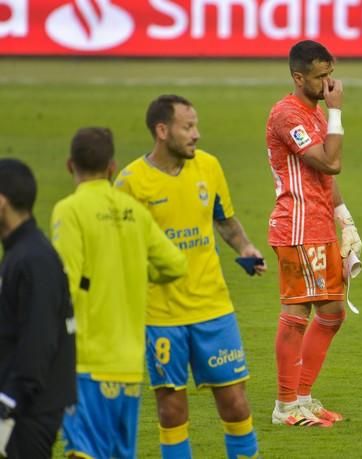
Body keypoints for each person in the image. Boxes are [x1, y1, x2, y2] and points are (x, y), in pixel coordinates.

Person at [114, 94, 265, 459]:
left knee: (235, 403)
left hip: (213, 307)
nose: (196, 134)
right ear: (162, 131)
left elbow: (224, 220)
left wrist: (245, 247)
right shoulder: (131, 183)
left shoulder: (209, 167)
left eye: (196, 125)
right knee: (171, 409)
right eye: (188, 127)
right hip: (161, 315)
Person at [51, 127, 187, 459]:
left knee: (82, 451)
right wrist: (140, 270)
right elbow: (175, 264)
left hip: (86, 359)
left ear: (71, 166)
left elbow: (64, 284)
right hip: (128, 364)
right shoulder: (135, 213)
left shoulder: (69, 210)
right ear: (112, 167)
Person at [266, 39, 362, 427]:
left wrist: (346, 220)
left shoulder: (316, 115)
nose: (329, 85)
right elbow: (331, 161)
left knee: (333, 312)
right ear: (298, 76)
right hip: (298, 226)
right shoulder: (287, 115)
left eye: (331, 76)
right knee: (297, 312)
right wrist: (337, 112)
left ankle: (303, 398)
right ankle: (286, 405)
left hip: (321, 225)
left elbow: (325, 175)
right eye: (322, 77)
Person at [0, 159, 76, 459]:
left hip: (27, 410)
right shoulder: (19, 253)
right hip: (20, 404)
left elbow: (39, 339)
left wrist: (8, 402)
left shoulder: (33, 259)